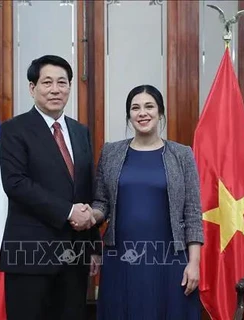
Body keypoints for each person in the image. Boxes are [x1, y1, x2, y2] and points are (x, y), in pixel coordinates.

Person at [0, 55, 102, 320]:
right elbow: (16, 183)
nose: (55, 89)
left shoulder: (80, 132)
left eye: (62, 83)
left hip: (74, 257)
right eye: (47, 82)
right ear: (32, 88)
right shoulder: (14, 129)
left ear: (69, 87)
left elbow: (86, 190)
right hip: (31, 255)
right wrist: (68, 211)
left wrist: (92, 248)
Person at [91, 84, 204, 319]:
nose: (142, 113)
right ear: (129, 116)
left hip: (169, 258)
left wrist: (194, 263)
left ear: (160, 113)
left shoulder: (182, 155)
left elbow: (192, 212)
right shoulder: (111, 153)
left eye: (149, 106)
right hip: (120, 257)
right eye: (135, 108)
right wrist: (90, 215)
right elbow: (101, 202)